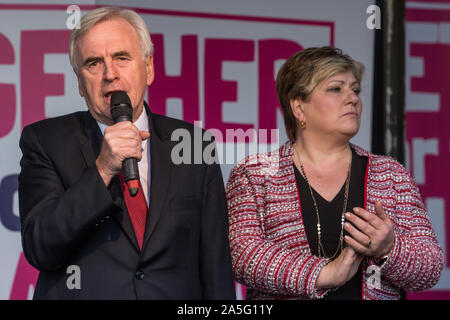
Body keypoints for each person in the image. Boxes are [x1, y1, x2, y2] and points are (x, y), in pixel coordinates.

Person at [18, 7, 236, 300]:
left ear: (148, 68)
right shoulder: (45, 141)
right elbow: (40, 247)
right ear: (80, 82)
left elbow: (215, 267)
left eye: (122, 58)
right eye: (94, 63)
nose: (110, 74)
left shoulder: (194, 144)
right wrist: (103, 169)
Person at [226, 46, 443, 300]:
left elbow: (431, 266)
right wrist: (326, 273)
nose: (352, 98)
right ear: (299, 107)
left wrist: (389, 248)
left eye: (355, 89)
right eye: (336, 88)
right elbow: (241, 254)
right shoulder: (255, 174)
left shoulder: (391, 173)